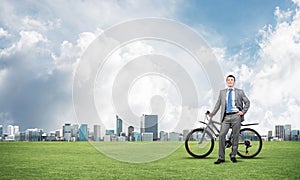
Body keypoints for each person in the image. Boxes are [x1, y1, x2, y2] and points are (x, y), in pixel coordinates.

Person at [209, 75, 250, 164]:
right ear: (226, 82)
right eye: (228, 80)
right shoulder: (222, 92)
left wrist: (242, 112)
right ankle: (221, 157)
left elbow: (247, 102)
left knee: (235, 137)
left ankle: (233, 155)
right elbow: (218, 104)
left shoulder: (240, 92)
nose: (230, 81)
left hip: (236, 116)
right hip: (226, 117)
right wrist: (212, 114)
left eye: (232, 80)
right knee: (221, 135)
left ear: (234, 82)